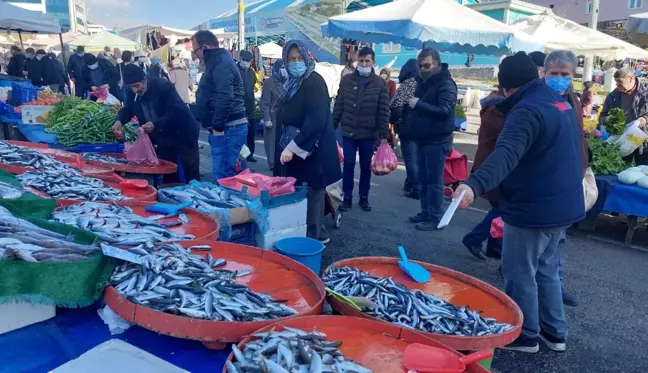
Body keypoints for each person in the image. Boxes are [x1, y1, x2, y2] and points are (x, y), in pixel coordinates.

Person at [454, 52, 585, 353]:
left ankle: (525, 335)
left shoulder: (525, 111)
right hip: (563, 206)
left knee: (519, 271)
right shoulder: (558, 102)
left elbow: (504, 156)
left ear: (507, 89)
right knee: (546, 269)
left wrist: (473, 184)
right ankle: (555, 333)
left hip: (534, 208)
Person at [276, 40, 342, 241]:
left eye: (299, 58)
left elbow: (316, 120)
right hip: (298, 146)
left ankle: (313, 240)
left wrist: (293, 148)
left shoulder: (314, 81)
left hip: (314, 148)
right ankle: (309, 231)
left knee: (313, 191)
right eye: (291, 59)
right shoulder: (292, 84)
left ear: (307, 58)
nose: (296, 62)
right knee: (302, 190)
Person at [543, 50, 592, 308]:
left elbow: (577, 137)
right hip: (546, 181)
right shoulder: (539, 98)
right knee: (545, 242)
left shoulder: (572, 98)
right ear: (544, 72)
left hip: (569, 178)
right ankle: (546, 293)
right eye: (555, 74)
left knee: (557, 241)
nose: (560, 78)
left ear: (573, 75)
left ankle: (556, 288)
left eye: (565, 74)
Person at [113, 64, 200, 184]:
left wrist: (155, 124)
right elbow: (129, 108)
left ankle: (196, 195)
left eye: (137, 85)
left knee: (190, 171)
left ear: (144, 79)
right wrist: (119, 120)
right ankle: (172, 195)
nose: (135, 89)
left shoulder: (163, 87)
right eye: (132, 87)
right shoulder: (132, 91)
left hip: (182, 131)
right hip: (162, 137)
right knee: (167, 170)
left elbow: (175, 112)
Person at [333, 46, 389, 212]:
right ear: (357, 61)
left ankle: (364, 197)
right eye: (361, 61)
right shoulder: (347, 81)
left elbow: (383, 111)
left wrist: (384, 136)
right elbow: (339, 106)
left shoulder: (380, 84)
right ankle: (347, 197)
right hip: (349, 131)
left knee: (365, 166)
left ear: (373, 62)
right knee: (348, 164)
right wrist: (331, 127)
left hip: (368, 133)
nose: (364, 64)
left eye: (367, 61)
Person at [407, 48, 458, 231]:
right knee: (424, 178)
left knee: (434, 181)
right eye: (420, 66)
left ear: (436, 63)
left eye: (426, 65)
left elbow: (445, 111)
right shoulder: (424, 82)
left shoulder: (446, 84)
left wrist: (419, 104)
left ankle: (435, 216)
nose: (423, 69)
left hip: (438, 140)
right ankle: (426, 211)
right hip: (423, 138)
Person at [192, 30, 248, 180]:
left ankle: (234, 203)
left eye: (194, 51)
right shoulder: (216, 62)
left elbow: (225, 97)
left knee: (225, 177)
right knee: (235, 174)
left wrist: (217, 127)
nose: (195, 56)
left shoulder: (221, 63)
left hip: (229, 129)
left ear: (204, 47)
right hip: (228, 128)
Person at [461, 88, 505, 261]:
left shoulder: (492, 104)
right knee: (504, 208)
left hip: (486, 159)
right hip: (493, 164)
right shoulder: (499, 110)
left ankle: (495, 247)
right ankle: (474, 238)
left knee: (499, 205)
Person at [599, 66, 648, 165]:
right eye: (615, 81)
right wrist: (607, 120)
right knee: (622, 165)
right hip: (622, 138)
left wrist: (644, 119)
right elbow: (602, 116)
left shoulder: (645, 92)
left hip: (642, 136)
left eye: (619, 81)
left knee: (643, 167)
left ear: (631, 78)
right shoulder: (613, 96)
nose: (616, 84)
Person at [390, 58, 419, 199]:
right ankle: (414, 182)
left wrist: (393, 120)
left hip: (408, 126)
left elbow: (396, 105)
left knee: (410, 158)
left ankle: (415, 187)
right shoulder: (426, 82)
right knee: (419, 158)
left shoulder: (409, 83)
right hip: (424, 126)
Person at [259, 59, 287, 171]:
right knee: (271, 141)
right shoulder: (269, 82)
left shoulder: (289, 81)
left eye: (285, 67)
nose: (284, 70)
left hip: (285, 116)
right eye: (282, 67)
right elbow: (264, 102)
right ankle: (272, 163)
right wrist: (267, 118)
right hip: (273, 116)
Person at [238, 50, 258, 163]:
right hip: (238, 107)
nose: (245, 62)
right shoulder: (234, 70)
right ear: (240, 59)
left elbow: (253, 86)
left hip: (250, 107)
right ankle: (240, 156)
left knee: (251, 133)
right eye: (244, 60)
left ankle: (250, 154)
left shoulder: (251, 72)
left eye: (248, 61)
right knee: (240, 134)